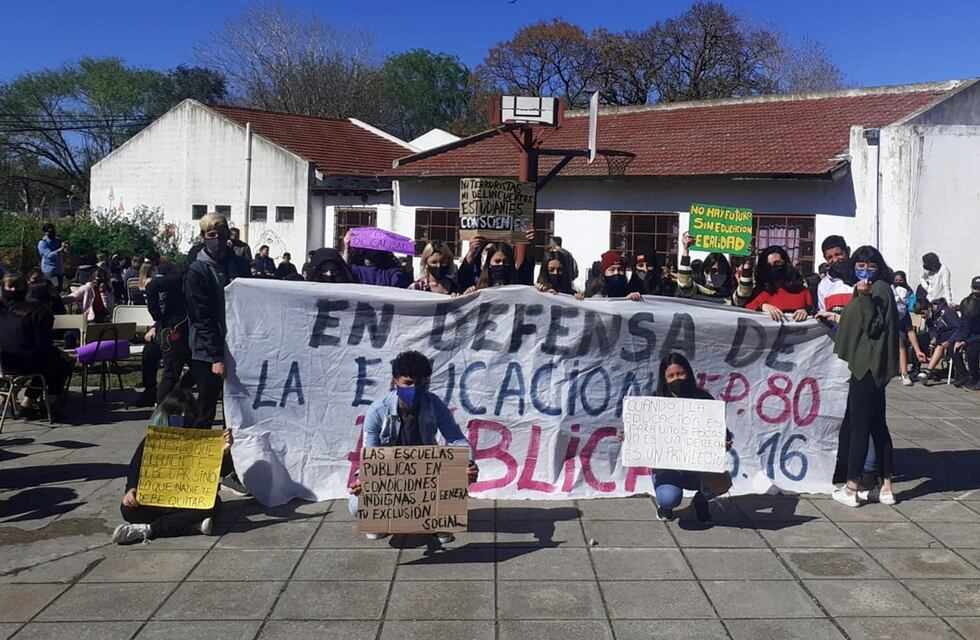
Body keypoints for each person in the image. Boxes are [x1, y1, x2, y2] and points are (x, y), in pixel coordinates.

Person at [347, 350, 479, 543]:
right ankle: (381, 520)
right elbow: (370, 455)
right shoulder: (377, 411)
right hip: (390, 476)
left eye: (421, 383)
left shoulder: (434, 405)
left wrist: (468, 463)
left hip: (428, 475)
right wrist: (364, 480)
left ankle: (438, 520)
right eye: (408, 383)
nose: (414, 389)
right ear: (395, 382)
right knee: (356, 506)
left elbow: (457, 439)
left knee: (460, 473)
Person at [620, 353, 732, 523]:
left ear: (688, 373)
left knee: (722, 483)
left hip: (698, 466)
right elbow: (642, 431)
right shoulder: (655, 401)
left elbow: (722, 431)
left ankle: (700, 501)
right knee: (669, 497)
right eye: (671, 376)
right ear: (664, 379)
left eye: (680, 374)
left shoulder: (704, 400)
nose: (676, 379)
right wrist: (630, 436)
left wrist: (725, 442)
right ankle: (665, 507)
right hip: (666, 467)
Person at [111, 390, 233, 544]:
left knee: (214, 504)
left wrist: (225, 452)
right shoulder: (152, 440)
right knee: (127, 510)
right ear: (166, 414)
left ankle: (147, 530)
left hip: (186, 502)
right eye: (176, 413)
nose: (182, 418)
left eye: (187, 413)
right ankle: (189, 527)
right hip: (156, 502)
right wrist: (131, 490)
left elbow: (223, 472)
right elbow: (135, 469)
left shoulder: (203, 440)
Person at [832, 246, 899, 508]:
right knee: (877, 427)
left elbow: (872, 325)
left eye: (870, 265)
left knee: (859, 426)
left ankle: (851, 487)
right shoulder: (878, 287)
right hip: (874, 366)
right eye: (860, 263)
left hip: (867, 367)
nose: (865, 269)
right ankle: (886, 487)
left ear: (878, 267)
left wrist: (863, 297)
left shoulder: (875, 289)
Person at [185, 212, 249, 429]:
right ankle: (198, 456)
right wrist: (215, 357)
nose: (218, 240)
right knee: (205, 409)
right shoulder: (197, 271)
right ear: (203, 236)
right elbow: (201, 316)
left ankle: (230, 458)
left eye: (222, 234)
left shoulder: (239, 265)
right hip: (207, 351)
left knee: (238, 410)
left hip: (238, 346)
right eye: (212, 235)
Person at [0, 284, 73, 418]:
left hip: (5, 363)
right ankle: (48, 404)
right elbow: (42, 345)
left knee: (46, 365)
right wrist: (59, 353)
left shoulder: (11, 310)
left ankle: (26, 405)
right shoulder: (41, 312)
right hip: (24, 362)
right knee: (62, 363)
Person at [145, 262, 192, 403]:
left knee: (201, 369)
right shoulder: (180, 278)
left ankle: (181, 389)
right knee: (171, 373)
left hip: (191, 331)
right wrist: (158, 318)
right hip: (174, 329)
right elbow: (151, 286)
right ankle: (160, 416)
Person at [676, 232, 752, 305]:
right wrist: (685, 251)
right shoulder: (695, 291)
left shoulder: (730, 296)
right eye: (713, 270)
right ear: (705, 271)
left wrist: (747, 262)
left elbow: (744, 293)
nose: (717, 274)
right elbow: (684, 283)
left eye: (721, 271)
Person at [744, 246, 814, 322]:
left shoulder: (802, 291)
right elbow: (745, 311)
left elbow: (814, 311)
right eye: (769, 265)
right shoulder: (761, 292)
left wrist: (806, 311)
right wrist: (761, 306)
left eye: (778, 263)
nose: (774, 268)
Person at [915, 296, 966, 384]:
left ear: (929, 307)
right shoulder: (929, 317)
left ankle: (928, 371)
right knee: (921, 339)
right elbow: (932, 329)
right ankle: (919, 367)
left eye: (923, 313)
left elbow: (959, 328)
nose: (922, 316)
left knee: (942, 346)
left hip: (955, 335)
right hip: (943, 336)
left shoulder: (946, 312)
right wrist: (933, 337)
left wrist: (949, 341)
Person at [892, 271, 927, 386]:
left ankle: (904, 373)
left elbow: (910, 331)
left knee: (901, 342)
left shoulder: (904, 312)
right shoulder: (889, 306)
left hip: (898, 332)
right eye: (896, 280)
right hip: (884, 326)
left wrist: (918, 351)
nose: (898, 283)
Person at [953, 277, 980, 390]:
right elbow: (964, 325)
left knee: (972, 350)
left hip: (977, 336)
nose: (977, 291)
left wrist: (966, 341)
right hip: (971, 333)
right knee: (952, 347)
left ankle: (975, 378)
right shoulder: (966, 302)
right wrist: (959, 340)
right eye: (975, 288)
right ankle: (964, 375)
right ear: (971, 287)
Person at [37, 223, 67, 290]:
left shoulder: (57, 240)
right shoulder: (43, 243)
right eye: (50, 231)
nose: (53, 233)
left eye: (54, 231)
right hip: (50, 271)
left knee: (59, 290)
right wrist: (60, 249)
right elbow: (49, 255)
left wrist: (65, 248)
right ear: (45, 232)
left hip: (59, 270)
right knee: (53, 289)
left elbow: (64, 252)